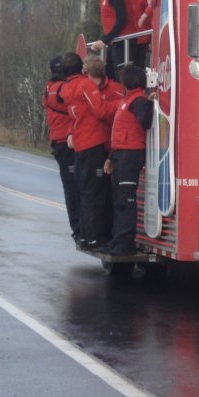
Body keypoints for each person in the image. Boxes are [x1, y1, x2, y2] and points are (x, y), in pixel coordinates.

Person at [58, 53, 123, 250]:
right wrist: (123, 103)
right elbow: (101, 111)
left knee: (85, 192)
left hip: (83, 144)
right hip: (93, 143)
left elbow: (75, 115)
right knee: (95, 193)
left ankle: (87, 236)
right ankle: (95, 237)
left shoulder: (70, 88)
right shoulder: (86, 86)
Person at [103, 65, 153, 256]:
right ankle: (118, 240)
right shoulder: (127, 100)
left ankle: (124, 242)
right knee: (118, 199)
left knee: (126, 200)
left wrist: (149, 104)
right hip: (120, 154)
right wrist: (111, 157)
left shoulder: (138, 100)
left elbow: (145, 122)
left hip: (130, 155)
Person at [44, 55, 81, 243]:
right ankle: (79, 227)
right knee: (76, 188)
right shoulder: (63, 90)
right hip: (67, 140)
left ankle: (77, 228)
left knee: (70, 187)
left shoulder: (49, 88)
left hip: (58, 141)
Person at [90, 0, 139, 80]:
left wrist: (106, 39)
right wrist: (104, 38)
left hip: (121, 40)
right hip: (115, 40)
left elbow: (121, 19)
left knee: (122, 76)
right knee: (110, 73)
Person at [117, 0, 149, 68]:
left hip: (118, 37)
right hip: (140, 37)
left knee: (120, 72)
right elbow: (149, 12)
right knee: (138, 71)